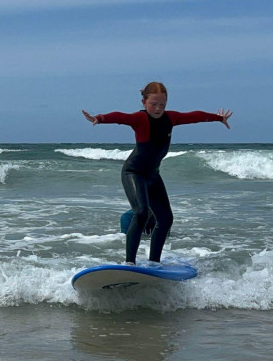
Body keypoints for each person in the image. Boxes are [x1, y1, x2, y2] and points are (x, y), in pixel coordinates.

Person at [82, 82, 232, 264]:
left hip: (153, 175)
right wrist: (100, 118)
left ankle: (154, 263)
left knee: (166, 219)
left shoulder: (171, 118)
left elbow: (193, 116)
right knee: (141, 213)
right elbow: (121, 117)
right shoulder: (141, 118)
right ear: (144, 102)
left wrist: (217, 118)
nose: (158, 108)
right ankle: (130, 262)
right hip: (134, 172)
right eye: (153, 104)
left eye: (162, 104)